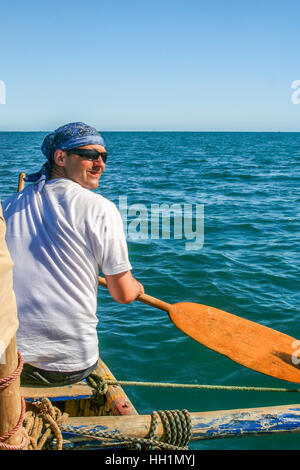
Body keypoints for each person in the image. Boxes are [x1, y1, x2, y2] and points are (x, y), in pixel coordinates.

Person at [2, 122, 144, 387]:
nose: (100, 163)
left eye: (104, 156)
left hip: (7, 360)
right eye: (89, 155)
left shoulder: (7, 206)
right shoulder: (101, 209)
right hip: (66, 366)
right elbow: (123, 294)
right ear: (60, 157)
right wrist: (135, 287)